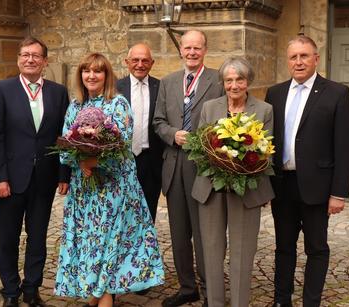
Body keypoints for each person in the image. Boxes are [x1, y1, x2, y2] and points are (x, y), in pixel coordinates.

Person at [54, 53, 164, 307]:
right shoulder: (75, 106)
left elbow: (123, 148)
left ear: (107, 76)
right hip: (85, 190)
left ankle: (104, 299)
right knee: (90, 243)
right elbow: (64, 148)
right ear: (80, 75)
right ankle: (96, 295)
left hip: (114, 189)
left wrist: (95, 161)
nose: (91, 76)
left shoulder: (118, 104)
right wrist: (79, 160)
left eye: (98, 71)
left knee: (107, 243)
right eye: (87, 71)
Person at [265, 35, 349, 307]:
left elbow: (344, 146)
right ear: (288, 61)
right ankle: (282, 300)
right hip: (283, 185)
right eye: (293, 57)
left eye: (304, 56)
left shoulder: (337, 92)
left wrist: (338, 193)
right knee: (283, 248)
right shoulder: (275, 93)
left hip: (317, 187)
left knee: (316, 248)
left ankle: (311, 302)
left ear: (316, 58)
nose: (299, 61)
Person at [0, 37, 70, 307]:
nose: (30, 59)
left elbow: (63, 137)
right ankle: (10, 291)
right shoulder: (2, 89)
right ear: (18, 59)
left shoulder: (58, 92)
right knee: (8, 238)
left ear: (45, 61)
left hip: (43, 180)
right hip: (10, 180)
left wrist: (63, 175)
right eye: (25, 55)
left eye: (36, 55)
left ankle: (32, 288)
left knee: (38, 237)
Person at [191, 57, 275, 307]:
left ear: (248, 81)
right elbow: (200, 147)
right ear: (223, 83)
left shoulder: (264, 110)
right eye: (229, 80)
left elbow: (267, 154)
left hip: (246, 190)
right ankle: (214, 303)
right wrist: (219, 165)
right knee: (212, 251)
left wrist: (242, 167)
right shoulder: (209, 107)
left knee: (242, 252)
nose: (234, 85)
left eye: (240, 79)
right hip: (210, 188)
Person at [153, 29, 224, 307]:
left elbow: (226, 119)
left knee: (206, 231)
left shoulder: (217, 80)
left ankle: (210, 289)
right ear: (180, 50)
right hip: (174, 163)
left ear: (205, 50)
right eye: (187, 48)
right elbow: (158, 121)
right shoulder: (169, 82)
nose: (192, 53)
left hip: (204, 165)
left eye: (197, 48)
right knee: (179, 232)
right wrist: (173, 134)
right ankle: (187, 287)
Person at [116, 43, 164, 224]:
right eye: (135, 60)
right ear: (127, 62)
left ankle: (145, 249)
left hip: (151, 161)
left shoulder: (162, 87)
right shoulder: (114, 88)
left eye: (145, 60)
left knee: (148, 211)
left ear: (152, 63)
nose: (140, 64)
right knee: (121, 211)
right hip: (121, 159)